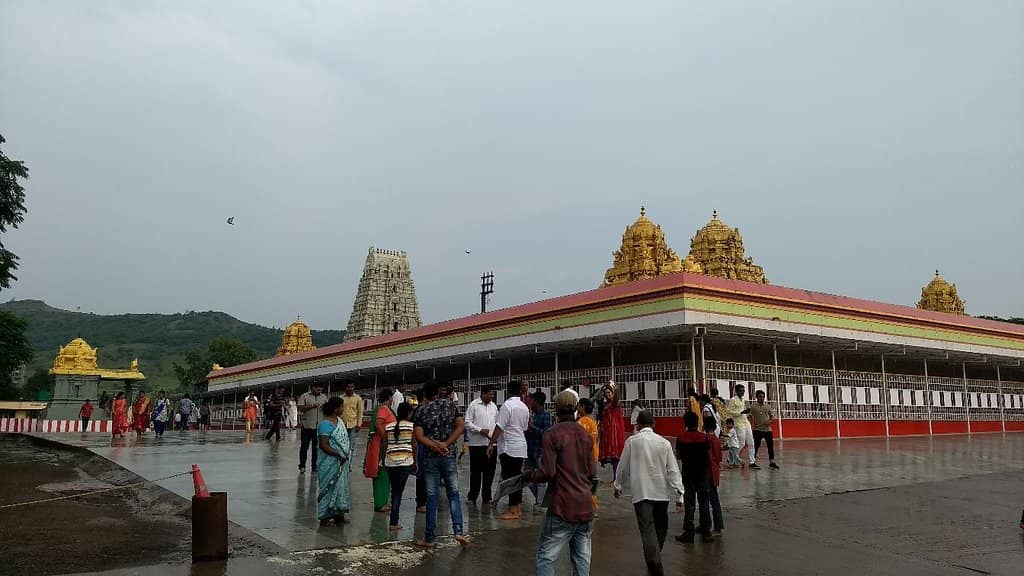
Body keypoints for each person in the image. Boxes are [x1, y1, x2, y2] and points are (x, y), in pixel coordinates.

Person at [528, 390, 596, 576]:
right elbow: (592, 473)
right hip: (585, 506)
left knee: (546, 557)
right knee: (582, 559)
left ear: (556, 410)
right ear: (575, 409)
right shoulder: (585, 435)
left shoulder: (552, 434)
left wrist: (530, 476)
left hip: (562, 507)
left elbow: (547, 472)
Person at [614, 410, 684, 576]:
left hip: (641, 494)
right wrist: (679, 493)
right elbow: (673, 470)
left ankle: (654, 561)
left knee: (647, 530)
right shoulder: (664, 443)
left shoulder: (632, 442)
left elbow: (622, 466)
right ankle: (654, 560)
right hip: (661, 493)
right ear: (654, 424)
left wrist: (618, 484)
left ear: (637, 425)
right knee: (661, 528)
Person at [413, 380, 470, 548]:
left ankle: (429, 537)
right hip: (449, 455)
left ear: (424, 394)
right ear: (438, 392)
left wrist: (435, 446)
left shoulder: (421, 410)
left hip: (431, 457)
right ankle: (459, 531)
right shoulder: (451, 406)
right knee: (453, 493)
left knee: (431, 497)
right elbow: (460, 427)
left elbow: (419, 436)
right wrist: (446, 444)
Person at [486, 379, 531, 520]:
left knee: (510, 478)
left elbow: (499, 426)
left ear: (508, 391)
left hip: (509, 447)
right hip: (521, 446)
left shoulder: (507, 405)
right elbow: (525, 427)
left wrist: (490, 444)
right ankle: (517, 508)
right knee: (517, 478)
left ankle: (513, 509)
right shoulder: (524, 407)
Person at [675, 411, 712, 543]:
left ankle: (688, 532)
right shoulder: (705, 437)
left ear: (685, 423)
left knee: (689, 503)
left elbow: (678, 456)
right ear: (697, 423)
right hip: (702, 473)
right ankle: (706, 531)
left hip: (688, 473)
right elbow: (709, 455)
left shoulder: (681, 437)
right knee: (704, 503)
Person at [316, 397, 352, 526]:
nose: (343, 409)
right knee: (328, 488)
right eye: (341, 407)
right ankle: (324, 517)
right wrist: (338, 454)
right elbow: (323, 444)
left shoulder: (340, 422)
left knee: (341, 488)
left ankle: (339, 515)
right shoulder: (325, 424)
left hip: (341, 463)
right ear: (335, 408)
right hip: (329, 463)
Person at [384, 402, 417, 532]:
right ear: (409, 414)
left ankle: (393, 521)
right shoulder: (411, 426)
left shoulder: (389, 426)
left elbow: (384, 445)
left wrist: (382, 460)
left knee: (395, 491)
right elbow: (414, 445)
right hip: (405, 462)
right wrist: (416, 462)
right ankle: (393, 522)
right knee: (398, 492)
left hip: (390, 462)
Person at [464, 385, 498, 506]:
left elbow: (496, 424)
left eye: (493, 394)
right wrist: (479, 430)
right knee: (476, 472)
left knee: (490, 472)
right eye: (490, 394)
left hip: (491, 444)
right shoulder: (474, 405)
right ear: (483, 394)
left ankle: (487, 497)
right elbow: (467, 423)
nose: (492, 396)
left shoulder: (494, 407)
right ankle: (472, 496)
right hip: (476, 445)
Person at [365, 389, 396, 512]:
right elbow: (379, 424)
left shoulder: (382, 408)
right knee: (381, 474)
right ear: (389, 398)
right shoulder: (383, 409)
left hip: (381, 444)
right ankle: (380, 503)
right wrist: (386, 439)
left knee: (383, 473)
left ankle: (382, 501)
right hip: (381, 445)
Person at [527, 390, 553, 513]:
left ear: (536, 402)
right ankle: (541, 499)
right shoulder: (533, 415)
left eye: (532, 400)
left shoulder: (546, 415)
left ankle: (540, 504)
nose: (530, 402)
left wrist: (532, 428)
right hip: (530, 451)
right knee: (527, 477)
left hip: (540, 451)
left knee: (541, 480)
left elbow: (547, 434)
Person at [722, 384, 756, 468]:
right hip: (738, 423)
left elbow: (743, 410)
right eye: (741, 390)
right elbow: (729, 411)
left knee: (751, 442)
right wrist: (740, 413)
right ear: (736, 391)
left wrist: (748, 414)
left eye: (743, 390)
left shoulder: (743, 399)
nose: (742, 392)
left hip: (746, 422)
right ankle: (731, 458)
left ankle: (752, 462)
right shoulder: (733, 400)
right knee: (741, 443)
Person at [298, 384, 329, 474]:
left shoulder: (324, 397)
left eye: (320, 388)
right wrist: (312, 406)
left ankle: (314, 466)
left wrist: (325, 407)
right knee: (304, 446)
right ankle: (302, 466)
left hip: (319, 426)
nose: (319, 390)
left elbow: (327, 410)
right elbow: (300, 408)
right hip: (307, 425)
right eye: (316, 388)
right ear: (312, 388)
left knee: (316, 448)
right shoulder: (304, 396)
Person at [576, 397, 600, 513]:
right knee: (591, 481)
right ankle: (593, 506)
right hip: (594, 455)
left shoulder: (582, 422)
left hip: (584, 457)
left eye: (579, 405)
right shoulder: (593, 421)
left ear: (583, 407)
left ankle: (585, 507)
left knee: (583, 482)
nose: (577, 408)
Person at [598, 383, 626, 478]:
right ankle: (616, 477)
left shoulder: (615, 403)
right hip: (607, 432)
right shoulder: (605, 404)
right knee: (613, 457)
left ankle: (616, 477)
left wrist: (615, 388)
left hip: (615, 433)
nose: (607, 395)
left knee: (615, 456)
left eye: (609, 393)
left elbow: (616, 397)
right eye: (606, 393)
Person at [704, 417, 725, 535]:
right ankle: (718, 525)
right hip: (714, 472)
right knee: (715, 499)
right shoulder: (716, 440)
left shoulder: (706, 439)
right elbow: (719, 457)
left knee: (706, 500)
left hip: (707, 472)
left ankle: (708, 524)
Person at [749, 390, 780, 469]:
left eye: (763, 397)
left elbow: (772, 416)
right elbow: (749, 416)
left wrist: (770, 421)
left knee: (770, 446)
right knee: (756, 446)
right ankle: (753, 461)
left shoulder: (768, 406)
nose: (762, 398)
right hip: (757, 430)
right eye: (760, 397)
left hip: (767, 430)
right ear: (756, 397)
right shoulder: (753, 406)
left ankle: (772, 462)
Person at [341, 382, 363, 451]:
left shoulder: (358, 399)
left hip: (352, 425)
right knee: (342, 445)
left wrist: (359, 424)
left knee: (351, 446)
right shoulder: (341, 398)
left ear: (354, 388)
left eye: (351, 387)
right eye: (348, 387)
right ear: (345, 388)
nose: (350, 389)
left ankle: (349, 461)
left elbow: (360, 412)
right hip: (342, 424)